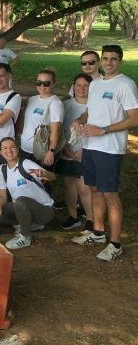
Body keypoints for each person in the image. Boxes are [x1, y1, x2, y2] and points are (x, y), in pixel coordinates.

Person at [72, 45, 138, 261]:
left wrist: (104, 130)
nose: (109, 62)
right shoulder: (97, 84)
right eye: (106, 58)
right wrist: (80, 120)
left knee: (110, 193)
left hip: (110, 148)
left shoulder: (126, 85)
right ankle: (98, 233)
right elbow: (92, 111)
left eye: (114, 59)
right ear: (101, 61)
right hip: (90, 145)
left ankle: (115, 244)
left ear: (120, 61)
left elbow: (134, 118)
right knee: (94, 189)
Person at [0, 137, 56, 250]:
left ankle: (25, 237)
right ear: (0, 152)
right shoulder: (1, 169)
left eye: (12, 147)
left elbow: (53, 177)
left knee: (20, 201)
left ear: (18, 149)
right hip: (24, 208)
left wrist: (43, 173)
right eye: (5, 148)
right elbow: (2, 195)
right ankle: (31, 225)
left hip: (44, 211)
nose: (9, 151)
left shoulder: (25, 163)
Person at [58, 74, 92, 231]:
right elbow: (59, 129)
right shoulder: (64, 105)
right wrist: (65, 148)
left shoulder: (95, 106)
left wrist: (82, 152)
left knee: (84, 187)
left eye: (85, 85)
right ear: (73, 86)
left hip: (85, 153)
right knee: (68, 185)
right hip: (66, 150)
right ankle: (73, 216)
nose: (81, 89)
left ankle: (91, 219)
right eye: (78, 85)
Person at [19, 70, 63, 166]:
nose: (42, 86)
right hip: (24, 148)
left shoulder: (55, 103)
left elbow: (56, 130)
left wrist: (51, 151)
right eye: (39, 82)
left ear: (53, 84)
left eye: (46, 83)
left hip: (40, 152)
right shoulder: (32, 99)